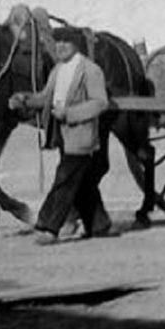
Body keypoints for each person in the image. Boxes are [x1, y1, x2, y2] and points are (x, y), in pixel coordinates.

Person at [28, 37, 112, 244]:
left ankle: (49, 226)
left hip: (81, 134)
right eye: (58, 42)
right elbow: (46, 96)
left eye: (66, 42)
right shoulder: (58, 69)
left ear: (77, 46)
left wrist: (69, 113)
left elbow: (100, 103)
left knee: (64, 179)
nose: (61, 46)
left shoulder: (90, 70)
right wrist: (26, 100)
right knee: (82, 182)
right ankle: (99, 224)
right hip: (61, 134)